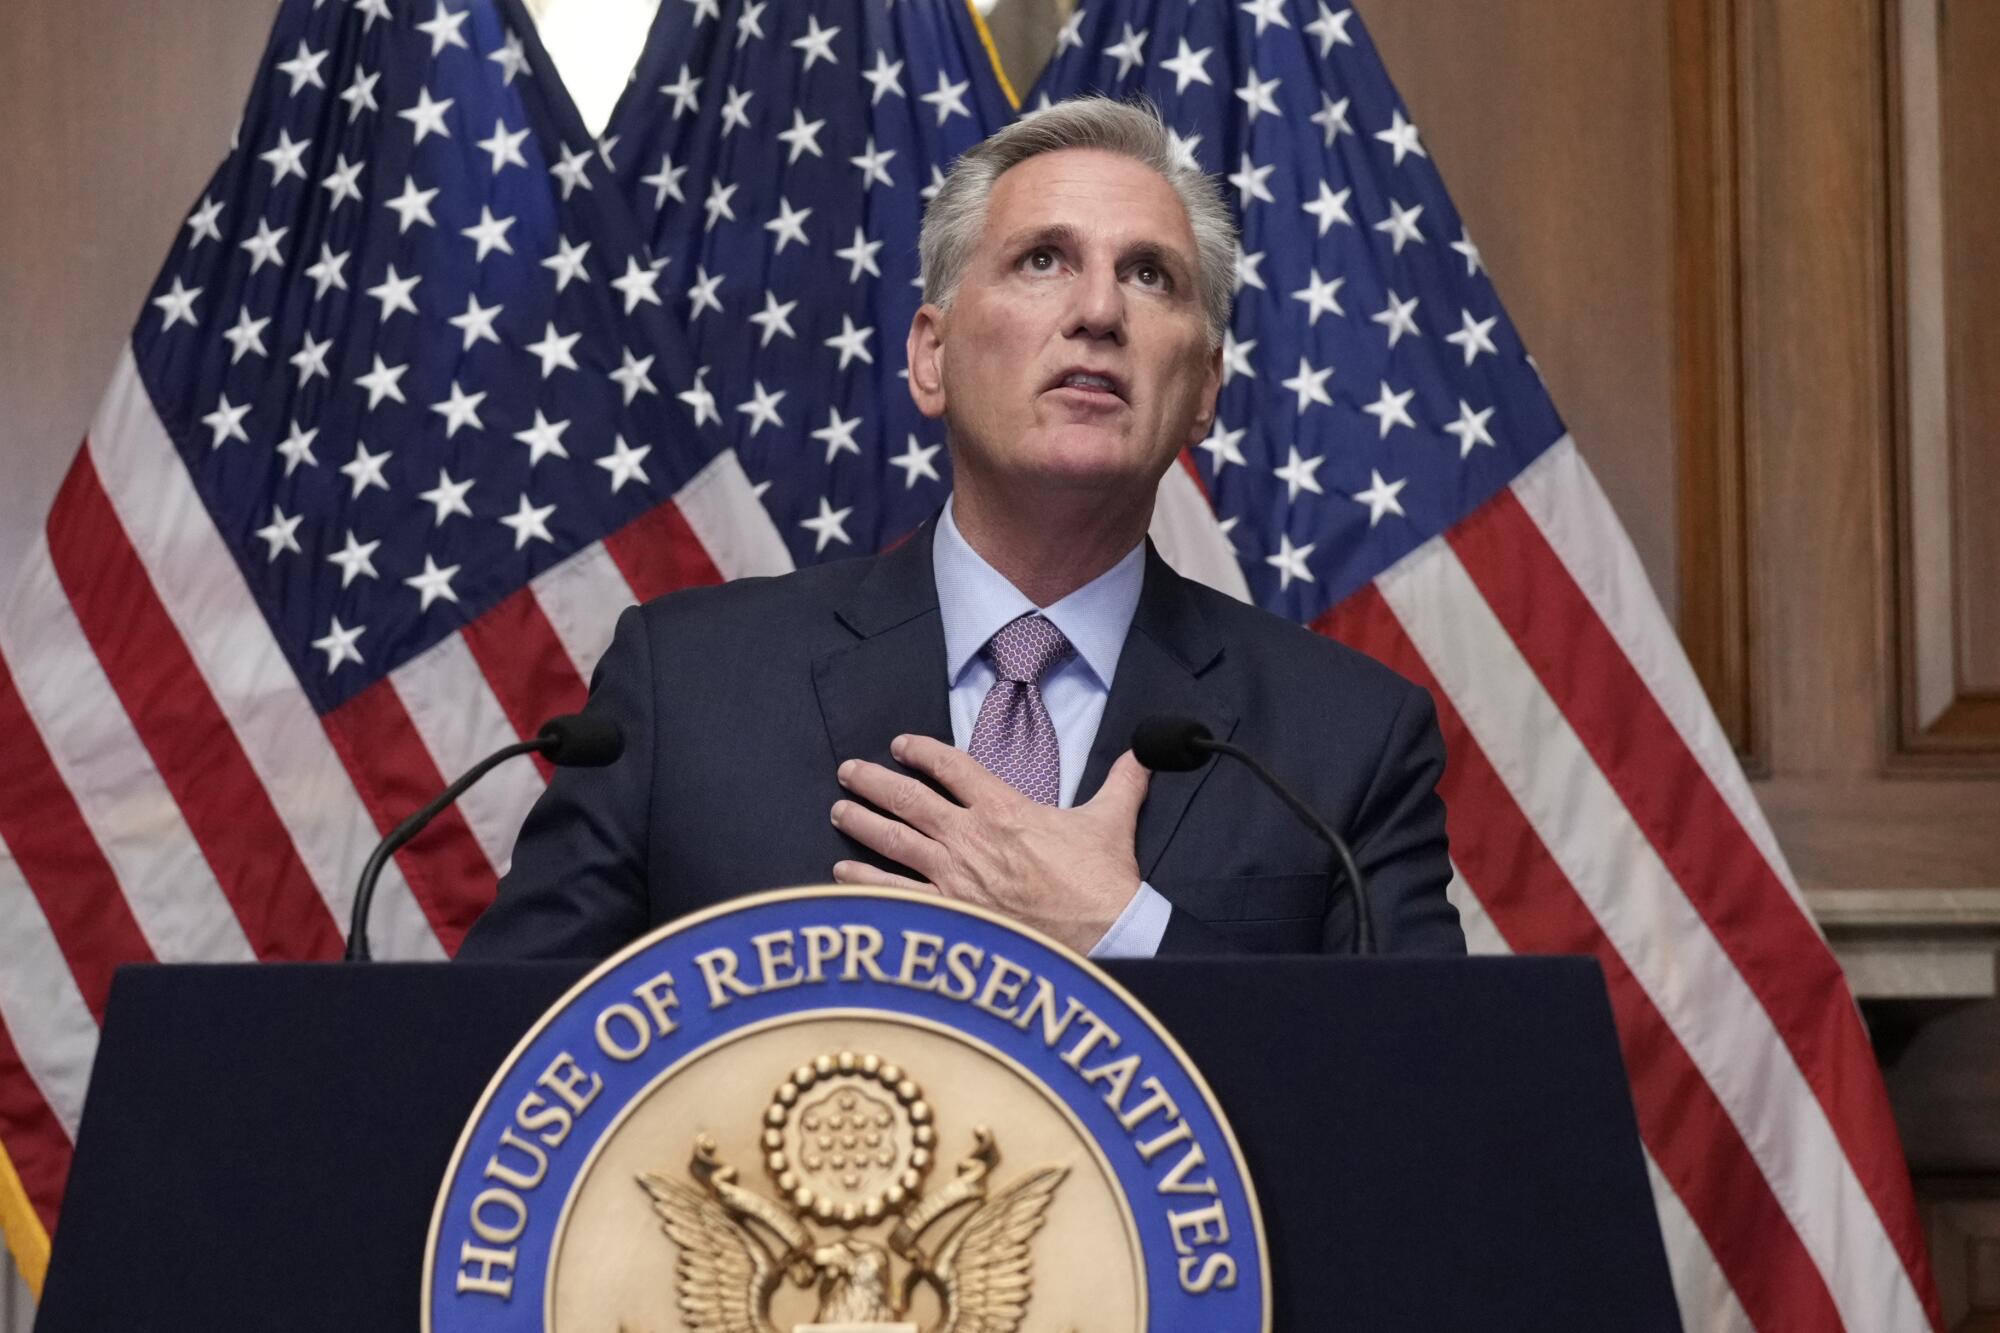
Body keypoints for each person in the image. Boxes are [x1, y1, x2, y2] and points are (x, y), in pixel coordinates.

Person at [458, 97, 1463, 961]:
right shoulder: (688, 686)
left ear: (1202, 389)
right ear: (929, 359)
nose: (1099, 310)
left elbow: (1417, 1119)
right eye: (1040, 261)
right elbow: (497, 1064)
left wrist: (1123, 930)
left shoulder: (1345, 742)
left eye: (1150, 275)